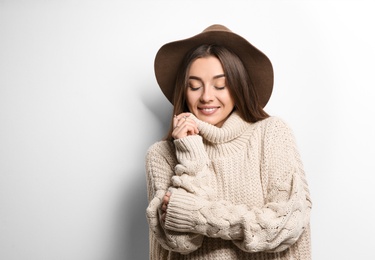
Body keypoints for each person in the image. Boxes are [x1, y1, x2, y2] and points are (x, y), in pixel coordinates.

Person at [145, 24, 312, 260]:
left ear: (238, 85)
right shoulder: (161, 154)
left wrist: (195, 214)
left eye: (220, 85)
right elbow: (181, 242)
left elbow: (286, 226)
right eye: (194, 86)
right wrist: (190, 152)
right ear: (184, 90)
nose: (206, 96)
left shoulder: (271, 134)